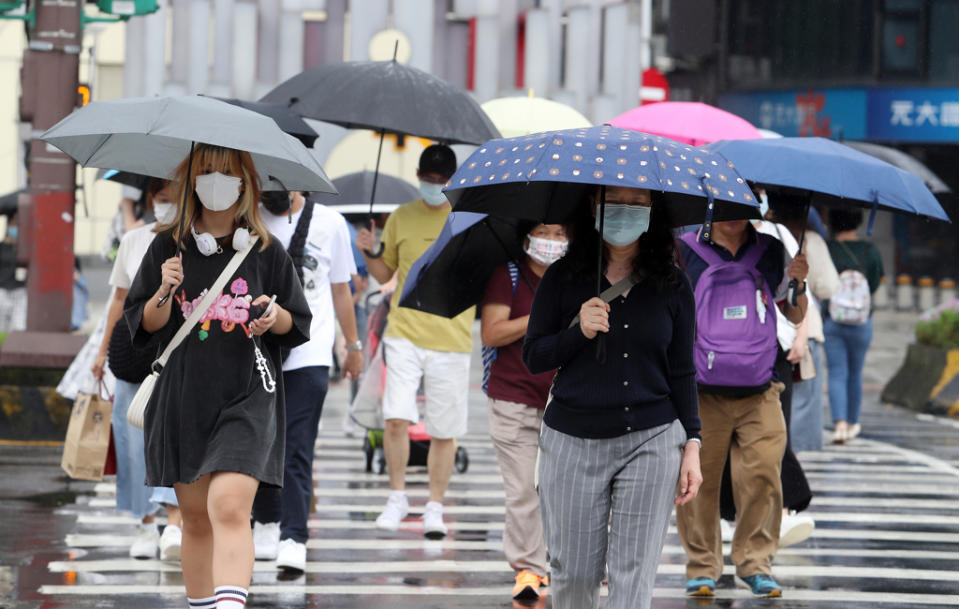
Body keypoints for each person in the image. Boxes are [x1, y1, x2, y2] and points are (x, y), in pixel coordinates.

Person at [124, 144, 311, 609]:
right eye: (205, 171)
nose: (215, 181)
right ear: (190, 181)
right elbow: (142, 324)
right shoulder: (168, 245)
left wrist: (274, 316)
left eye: (226, 172)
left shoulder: (266, 250)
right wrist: (164, 291)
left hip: (248, 394)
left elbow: (295, 322)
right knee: (195, 518)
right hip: (184, 396)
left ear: (246, 181)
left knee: (228, 507)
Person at [523, 187, 703, 609]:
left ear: (653, 211)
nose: (626, 211)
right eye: (615, 200)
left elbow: (682, 371)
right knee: (573, 572)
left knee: (633, 572)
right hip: (571, 440)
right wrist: (576, 333)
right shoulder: (563, 276)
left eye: (638, 202)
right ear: (592, 206)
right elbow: (534, 356)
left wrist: (692, 442)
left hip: (651, 438)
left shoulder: (673, 284)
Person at [676, 214, 808, 599]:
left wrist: (798, 280)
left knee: (765, 473)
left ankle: (756, 563)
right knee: (697, 482)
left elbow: (793, 313)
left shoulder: (773, 249)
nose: (733, 215)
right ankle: (702, 567)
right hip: (701, 386)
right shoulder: (683, 248)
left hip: (761, 384)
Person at [354, 144, 472, 538]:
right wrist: (370, 251)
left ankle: (435, 506)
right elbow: (385, 270)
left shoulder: (468, 219)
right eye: (428, 179)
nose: (434, 186)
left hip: (451, 335)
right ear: (419, 175)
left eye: (441, 181)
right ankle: (397, 496)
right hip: (403, 331)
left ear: (453, 181)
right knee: (395, 417)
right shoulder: (402, 217)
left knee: (444, 428)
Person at [251, 189, 363, 573]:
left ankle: (294, 535)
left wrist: (353, 344)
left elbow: (340, 289)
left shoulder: (330, 223)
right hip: (256, 351)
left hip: (310, 354)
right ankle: (265, 522)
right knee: (259, 441)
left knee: (297, 446)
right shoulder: (247, 217)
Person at [91, 178, 183, 561]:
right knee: (132, 445)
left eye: (174, 200)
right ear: (150, 200)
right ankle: (145, 523)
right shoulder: (134, 240)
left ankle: (174, 523)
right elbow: (118, 300)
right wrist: (99, 352)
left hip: (177, 354)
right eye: (162, 199)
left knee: (175, 438)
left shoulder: (196, 240)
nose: (166, 206)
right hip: (132, 353)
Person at [480, 221, 569, 601]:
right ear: (527, 237)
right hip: (513, 398)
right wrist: (539, 319)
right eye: (543, 232)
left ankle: (568, 564)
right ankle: (529, 569)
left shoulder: (577, 278)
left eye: (560, 234)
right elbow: (492, 332)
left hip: (566, 403)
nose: (551, 241)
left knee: (564, 490)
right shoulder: (508, 275)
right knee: (522, 491)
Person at [771, 199, 838, 452]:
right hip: (804, 330)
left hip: (765, 331)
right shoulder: (809, 241)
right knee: (804, 406)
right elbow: (829, 287)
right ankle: (793, 467)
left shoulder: (762, 235)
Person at [824, 208, 884, 443]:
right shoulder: (870, 250)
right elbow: (876, 282)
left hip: (832, 319)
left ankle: (838, 425)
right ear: (858, 222)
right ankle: (851, 423)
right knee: (855, 373)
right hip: (862, 320)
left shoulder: (828, 248)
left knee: (837, 373)